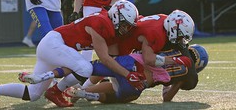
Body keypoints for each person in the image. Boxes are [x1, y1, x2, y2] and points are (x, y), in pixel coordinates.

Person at [0, 0, 140, 109]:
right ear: (116, 17)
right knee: (85, 68)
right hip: (54, 44)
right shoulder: (101, 23)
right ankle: (55, 90)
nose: (126, 29)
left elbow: (110, 55)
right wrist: (127, 74)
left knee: (33, 94)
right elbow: (104, 58)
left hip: (54, 47)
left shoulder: (105, 21)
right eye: (125, 25)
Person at [60, 44, 208, 104]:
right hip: (138, 82)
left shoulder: (176, 46)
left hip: (131, 61)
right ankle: (85, 93)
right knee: (116, 91)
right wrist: (171, 85)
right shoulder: (190, 77)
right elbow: (166, 98)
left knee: (109, 64)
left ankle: (72, 84)